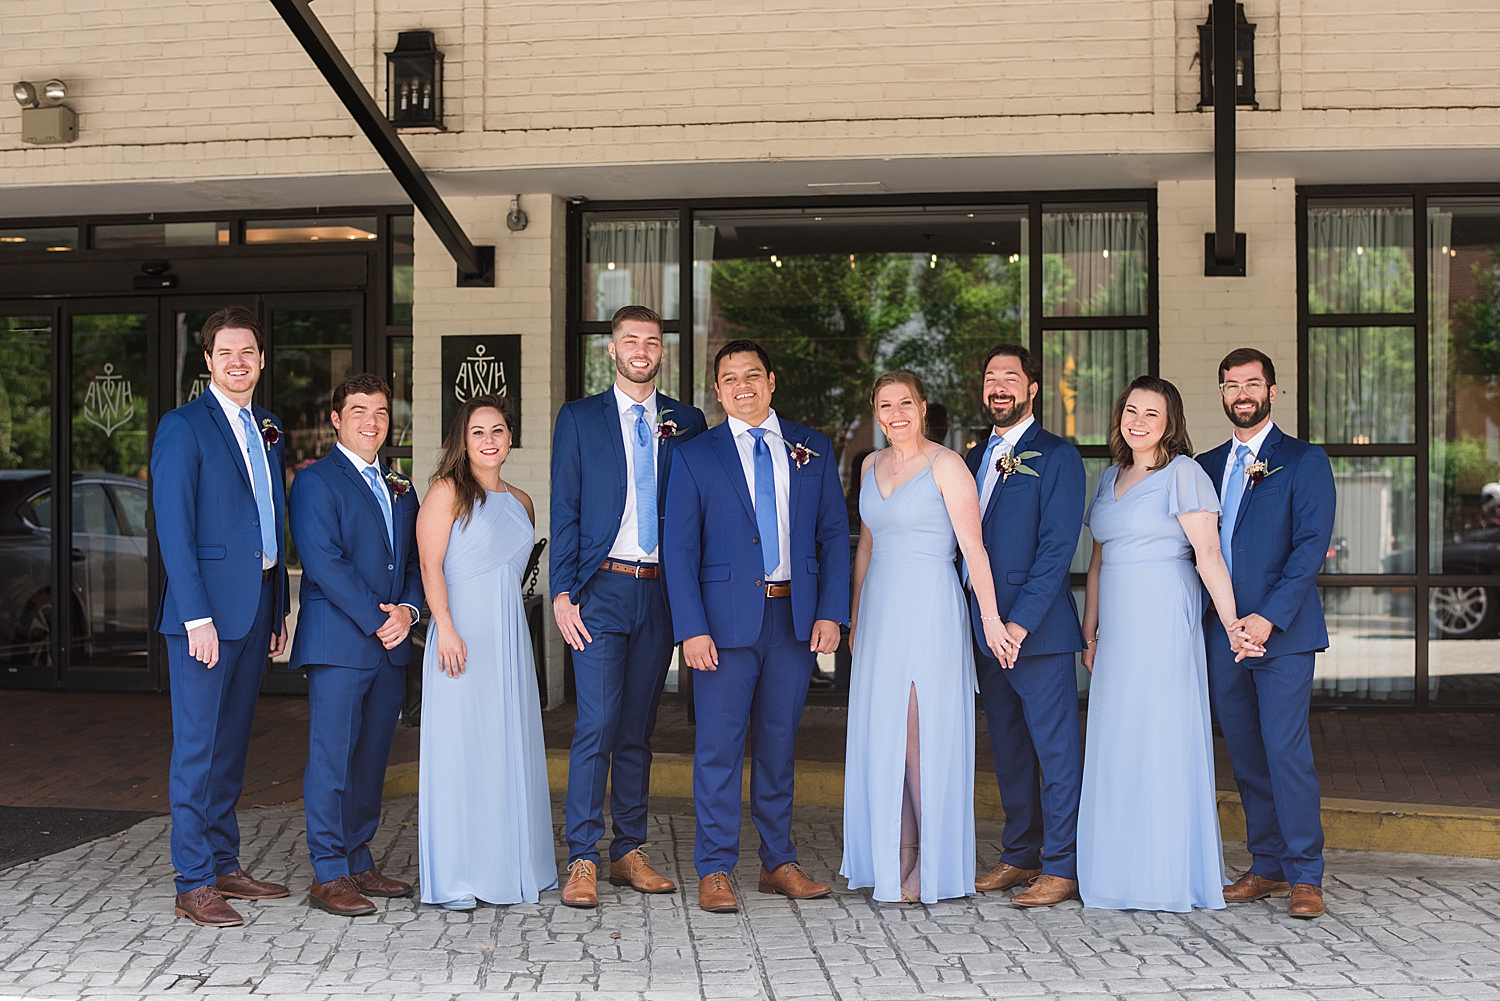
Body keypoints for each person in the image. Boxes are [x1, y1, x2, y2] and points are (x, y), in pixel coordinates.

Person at [663, 338, 851, 914]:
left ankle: (778, 862)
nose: (741, 386)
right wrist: (691, 628)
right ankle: (715, 869)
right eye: (728, 379)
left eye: (752, 375)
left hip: (794, 620)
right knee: (717, 749)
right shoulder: (696, 454)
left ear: (771, 380)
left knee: (778, 745)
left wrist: (831, 612)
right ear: (717, 391)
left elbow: (832, 537)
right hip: (722, 626)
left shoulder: (812, 448)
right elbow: (678, 547)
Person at [1076, 375, 1260, 912]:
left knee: (1160, 741)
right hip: (1117, 631)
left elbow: (1208, 556)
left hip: (1163, 620)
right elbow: (1097, 561)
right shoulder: (1108, 477)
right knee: (1117, 743)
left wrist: (1232, 627)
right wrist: (1089, 631)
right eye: (1131, 411)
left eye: (1151, 414)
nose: (1137, 421)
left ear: (1170, 423)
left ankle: (1165, 875)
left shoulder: (1185, 474)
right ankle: (1116, 874)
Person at [549, 305, 706, 908]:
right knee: (595, 724)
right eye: (629, 340)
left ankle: (628, 850)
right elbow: (565, 507)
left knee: (640, 728)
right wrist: (563, 592)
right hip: (601, 590)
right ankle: (583, 855)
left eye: (652, 341)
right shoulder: (580, 418)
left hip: (662, 590)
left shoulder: (687, 421)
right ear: (610, 350)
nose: (641, 349)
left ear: (661, 351)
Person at [841, 372, 1013, 904]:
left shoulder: (948, 464)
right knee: (883, 736)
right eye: (885, 405)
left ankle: (928, 861)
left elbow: (975, 550)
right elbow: (866, 548)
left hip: (930, 607)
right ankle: (896, 854)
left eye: (905, 404)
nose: (896, 414)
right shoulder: (869, 465)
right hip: (880, 614)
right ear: (876, 411)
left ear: (921, 407)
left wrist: (990, 620)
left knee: (918, 741)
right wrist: (855, 614)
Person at [151, 305, 292, 927]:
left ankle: (224, 861)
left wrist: (279, 607)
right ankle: (192, 881)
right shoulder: (183, 428)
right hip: (204, 617)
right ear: (207, 361)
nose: (238, 363)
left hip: (257, 604)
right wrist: (194, 616)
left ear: (262, 361)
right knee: (197, 748)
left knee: (232, 745)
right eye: (225, 353)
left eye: (248, 353)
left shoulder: (269, 424)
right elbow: (174, 530)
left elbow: (272, 518)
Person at [1198, 348, 1336, 919]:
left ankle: (1307, 874)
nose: (1242, 394)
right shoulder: (1204, 466)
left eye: (1252, 384)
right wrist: (1227, 621)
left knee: (1285, 750)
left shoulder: (1304, 460)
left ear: (1273, 392)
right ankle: (1267, 865)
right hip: (1223, 634)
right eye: (1231, 385)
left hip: (1282, 633)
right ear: (1223, 394)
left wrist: (1266, 617)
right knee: (1248, 755)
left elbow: (1309, 550)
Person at [288, 374, 423, 916]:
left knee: (371, 761)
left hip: (389, 644)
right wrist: (378, 618)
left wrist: (409, 611)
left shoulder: (401, 485)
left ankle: (358, 857)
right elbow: (325, 564)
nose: (372, 421)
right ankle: (328, 872)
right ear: (337, 420)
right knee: (332, 759)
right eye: (359, 411)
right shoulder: (316, 482)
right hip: (341, 643)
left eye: (382, 412)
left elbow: (415, 561)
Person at [416, 395, 555, 909]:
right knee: (463, 750)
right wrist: (446, 628)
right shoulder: (446, 492)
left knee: (507, 744)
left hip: (508, 638)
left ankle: (515, 864)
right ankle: (459, 875)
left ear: (511, 436)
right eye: (478, 432)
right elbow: (431, 569)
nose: (490, 439)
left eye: (498, 430)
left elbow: (512, 576)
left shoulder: (521, 502)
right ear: (462, 440)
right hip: (461, 636)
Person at [965, 344, 1087, 908]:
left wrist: (1018, 625)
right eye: (991, 377)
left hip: (1037, 635)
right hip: (984, 632)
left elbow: (1056, 550)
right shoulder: (970, 458)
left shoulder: (1058, 455)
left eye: (1010, 378)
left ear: (1032, 388)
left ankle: (1063, 865)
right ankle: (1020, 855)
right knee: (1010, 747)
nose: (999, 387)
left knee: (1056, 750)